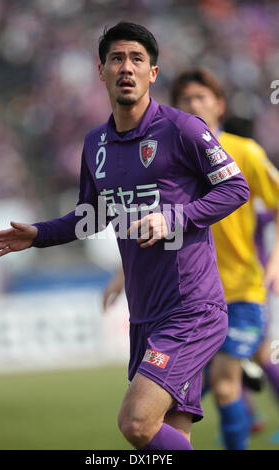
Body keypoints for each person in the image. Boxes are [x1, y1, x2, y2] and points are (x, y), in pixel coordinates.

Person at [0, 24, 250, 450]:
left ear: (153, 72)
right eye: (117, 59)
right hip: (144, 315)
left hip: (191, 312)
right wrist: (38, 234)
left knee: (136, 423)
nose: (126, 67)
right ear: (101, 71)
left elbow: (236, 188)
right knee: (172, 435)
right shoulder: (95, 145)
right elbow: (90, 217)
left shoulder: (183, 129)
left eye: (137, 59)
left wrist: (176, 217)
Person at [103, 67, 279, 450]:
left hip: (241, 289)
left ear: (219, 104)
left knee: (226, 381)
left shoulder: (244, 152)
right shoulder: (172, 156)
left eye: (202, 98)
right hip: (188, 294)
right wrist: (121, 275)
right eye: (185, 101)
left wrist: (277, 259)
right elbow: (148, 223)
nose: (194, 105)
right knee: (185, 408)